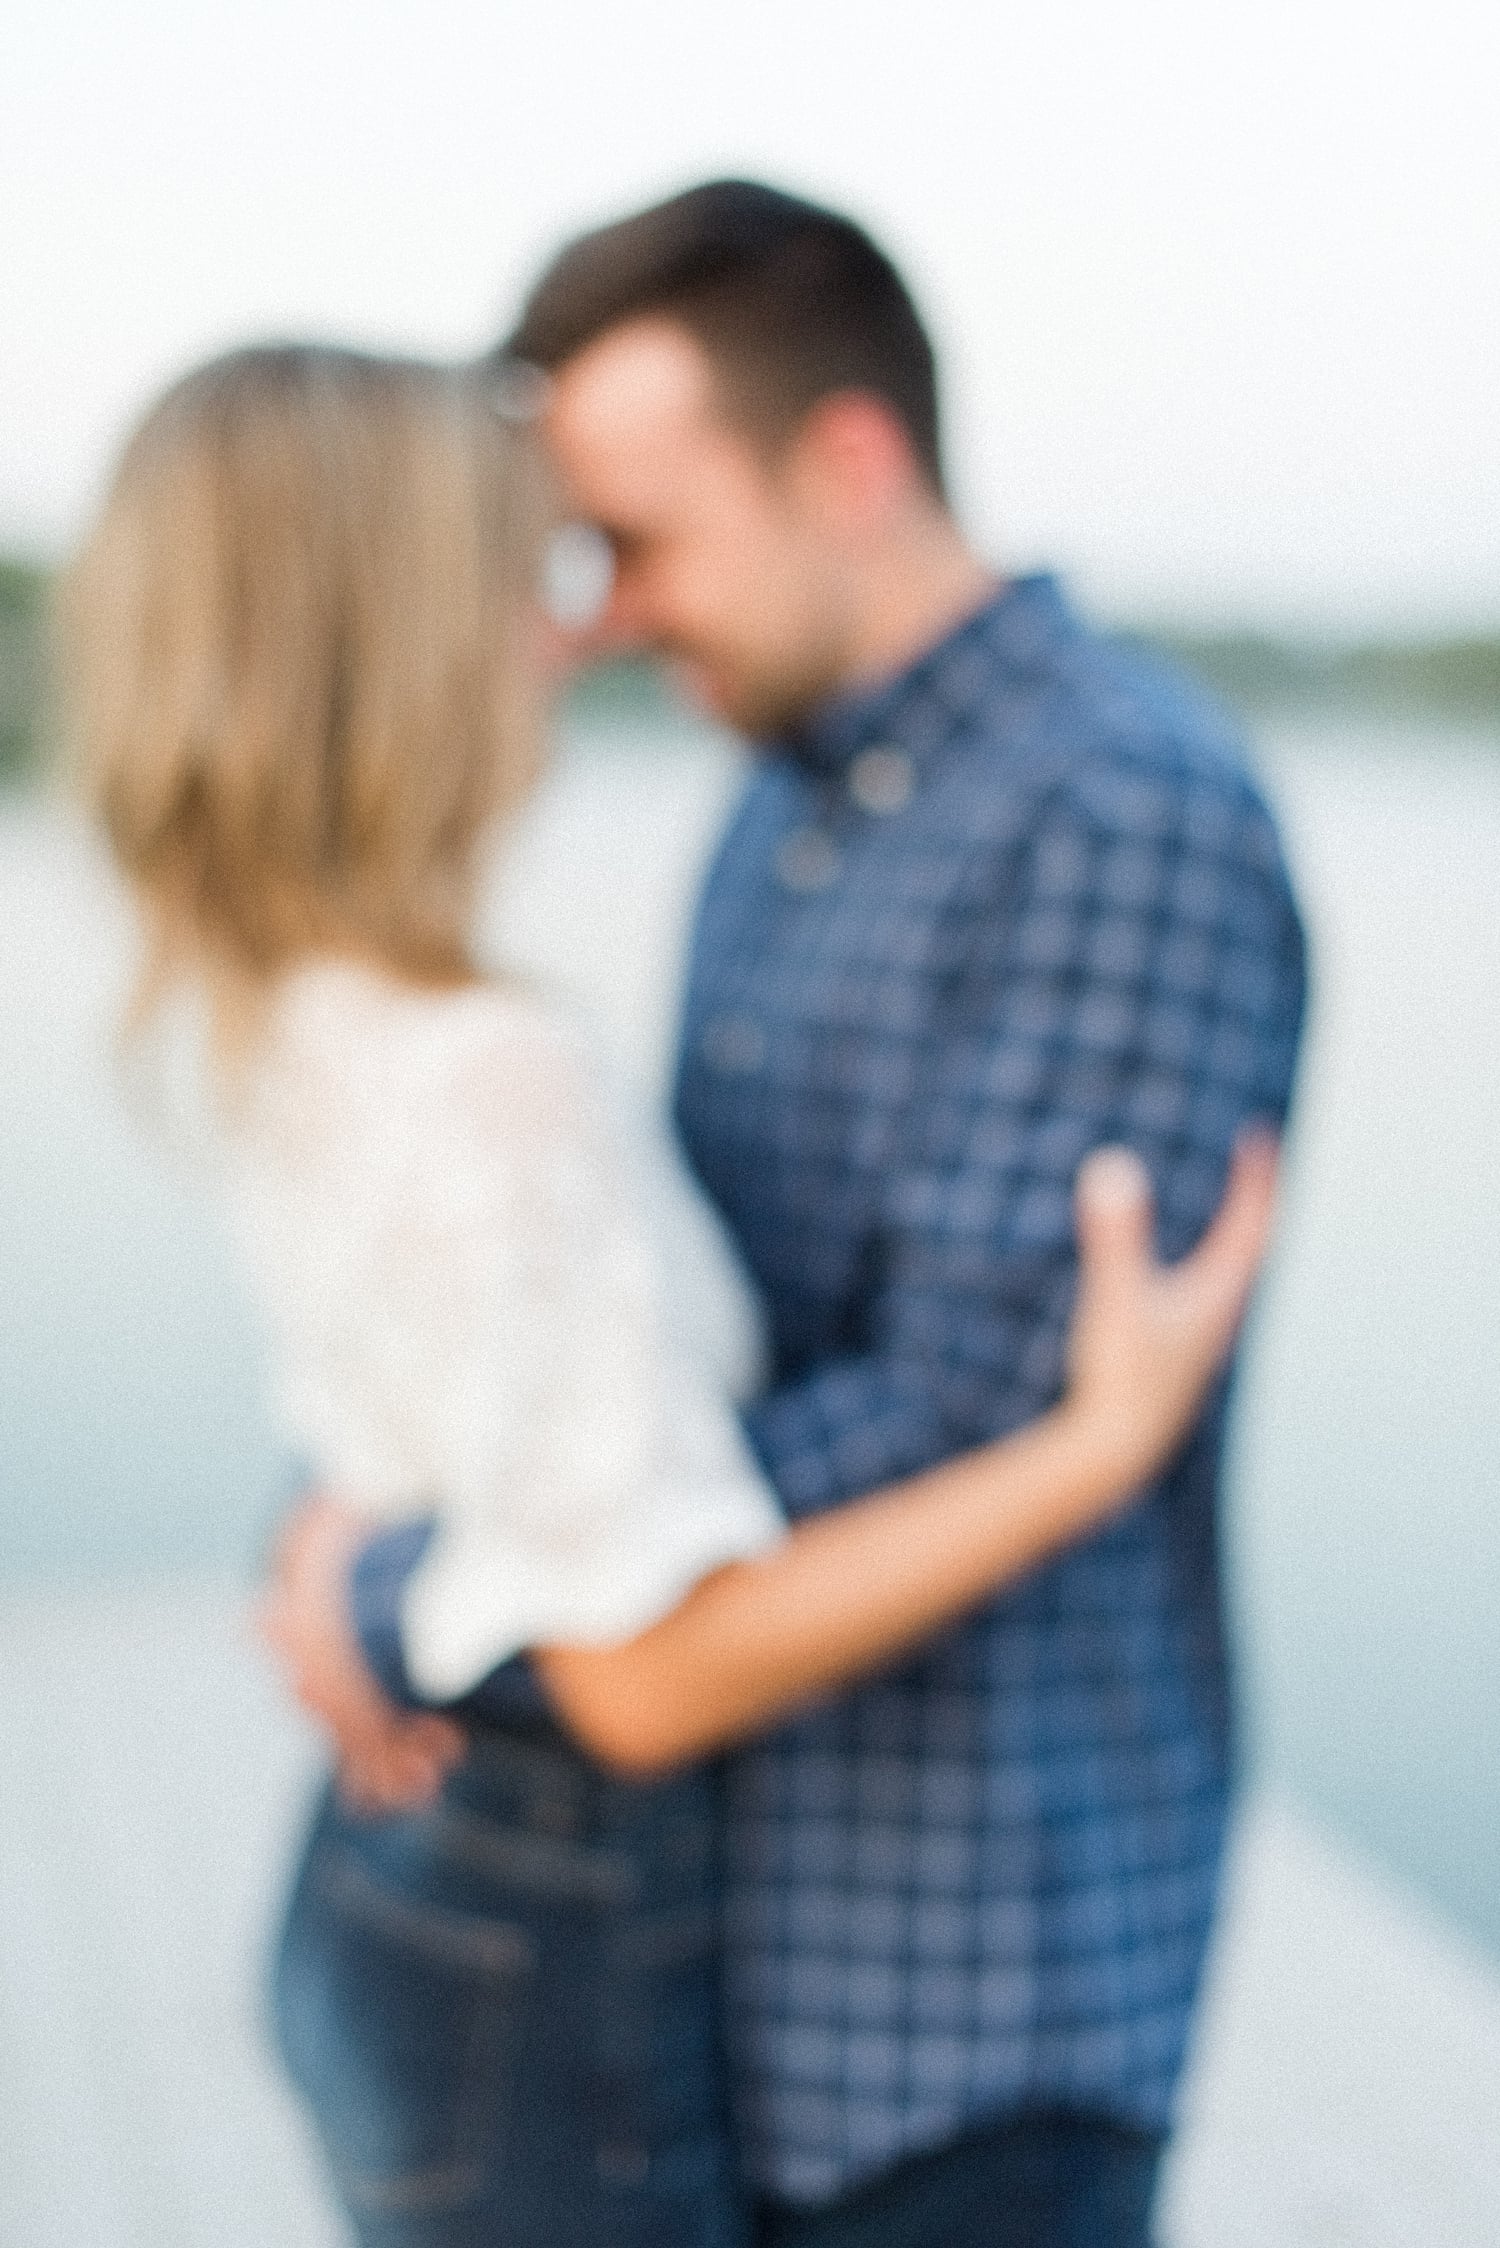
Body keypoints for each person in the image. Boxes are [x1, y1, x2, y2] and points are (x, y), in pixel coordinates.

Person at [66, 340, 1280, 2248]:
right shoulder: (485, 1066)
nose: (579, 633)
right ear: (393, 644)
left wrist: (369, 1573)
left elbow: (458, 1397)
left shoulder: (294, 1002)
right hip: (528, 1927)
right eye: (531, 575)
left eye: (615, 553)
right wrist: (1099, 1441)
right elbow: (643, 1668)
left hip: (420, 1896)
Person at [475, 177, 1308, 2246]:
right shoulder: (783, 796)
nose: (606, 608)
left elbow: (972, 1404)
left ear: (847, 461)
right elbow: (697, 1326)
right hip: (715, 1954)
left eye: (643, 538)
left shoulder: (1118, 803)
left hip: (966, 2019)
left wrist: (469, 1580)